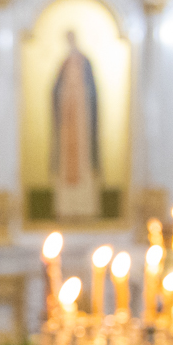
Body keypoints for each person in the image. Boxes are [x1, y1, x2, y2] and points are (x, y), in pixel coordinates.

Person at [49, 29, 98, 218]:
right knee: (65, 163)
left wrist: (78, 99)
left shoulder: (84, 62)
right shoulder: (64, 63)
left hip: (82, 123)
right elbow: (55, 91)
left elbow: (92, 95)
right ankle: (66, 207)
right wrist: (64, 98)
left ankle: (85, 207)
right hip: (67, 121)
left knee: (83, 161)